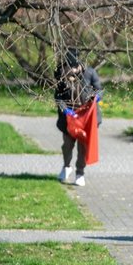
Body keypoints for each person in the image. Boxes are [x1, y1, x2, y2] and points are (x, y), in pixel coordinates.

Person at [54, 49, 102, 187]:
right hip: (69, 118)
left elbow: (99, 89)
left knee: (83, 148)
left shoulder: (90, 73)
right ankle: (66, 166)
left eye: (75, 67)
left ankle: (80, 173)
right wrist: (65, 110)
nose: (73, 70)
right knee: (67, 146)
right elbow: (58, 97)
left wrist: (96, 97)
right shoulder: (62, 76)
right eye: (70, 67)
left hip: (86, 118)